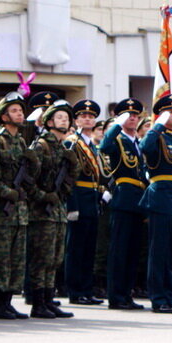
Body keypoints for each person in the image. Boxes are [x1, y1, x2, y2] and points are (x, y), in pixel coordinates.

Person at [27, 100, 79, 319]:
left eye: (66, 117)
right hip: (42, 211)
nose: (64, 120)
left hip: (57, 210)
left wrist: (73, 164)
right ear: (48, 122)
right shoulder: (41, 146)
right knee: (42, 258)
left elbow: (69, 182)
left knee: (56, 257)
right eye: (59, 117)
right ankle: (38, 302)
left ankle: (49, 299)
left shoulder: (63, 148)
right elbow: (28, 179)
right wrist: (42, 196)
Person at [139, 94, 172, 313]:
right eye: (170, 112)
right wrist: (156, 125)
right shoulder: (157, 136)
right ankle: (158, 297)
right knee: (158, 252)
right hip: (160, 199)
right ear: (160, 115)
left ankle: (170, 295)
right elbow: (144, 147)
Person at [0, 93, 39, 319]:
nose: (20, 114)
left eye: (21, 111)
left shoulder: (21, 142)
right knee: (0, 259)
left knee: (16, 258)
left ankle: (7, 301)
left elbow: (31, 177)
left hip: (19, 211)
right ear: (3, 116)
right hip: (1, 211)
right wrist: (9, 192)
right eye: (14, 111)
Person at [100, 99, 147, 310]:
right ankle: (116, 296)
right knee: (119, 251)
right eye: (128, 115)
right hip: (123, 199)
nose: (133, 118)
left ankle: (127, 294)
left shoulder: (138, 142)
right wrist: (115, 126)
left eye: (136, 115)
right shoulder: (117, 140)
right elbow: (104, 146)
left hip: (138, 200)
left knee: (132, 252)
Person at [63, 99, 105, 306]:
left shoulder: (92, 145)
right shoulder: (72, 142)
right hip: (78, 197)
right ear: (76, 120)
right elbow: (69, 176)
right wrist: (72, 206)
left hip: (92, 199)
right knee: (76, 247)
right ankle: (75, 290)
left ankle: (86, 289)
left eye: (91, 116)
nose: (87, 119)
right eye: (83, 116)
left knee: (89, 247)